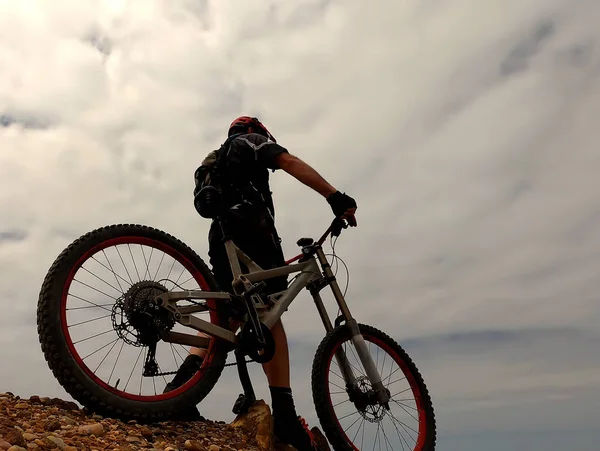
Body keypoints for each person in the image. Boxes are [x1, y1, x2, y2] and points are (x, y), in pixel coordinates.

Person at [165, 116, 357, 450]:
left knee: (229, 316)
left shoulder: (217, 159)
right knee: (270, 311)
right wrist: (334, 196)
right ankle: (284, 414)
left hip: (221, 236)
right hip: (253, 229)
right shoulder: (249, 143)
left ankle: (179, 389)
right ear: (257, 131)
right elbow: (289, 161)